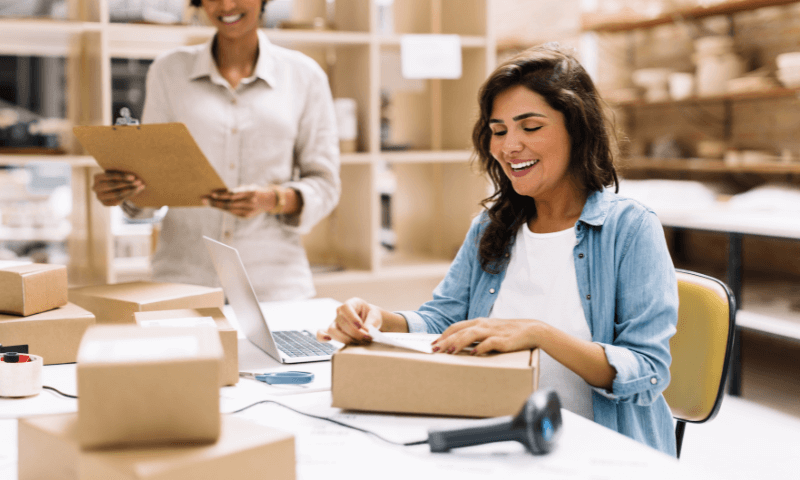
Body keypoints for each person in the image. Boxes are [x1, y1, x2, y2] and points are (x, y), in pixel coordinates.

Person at [318, 44, 678, 456]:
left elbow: (648, 372)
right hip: (499, 435)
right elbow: (444, 318)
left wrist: (538, 334)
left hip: (598, 448)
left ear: (577, 129)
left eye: (530, 126)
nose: (509, 146)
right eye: (499, 130)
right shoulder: (493, 227)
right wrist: (379, 319)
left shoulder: (630, 228)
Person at [91, 0, 340, 301]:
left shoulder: (305, 76)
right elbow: (151, 188)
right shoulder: (168, 71)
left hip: (274, 286)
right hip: (182, 282)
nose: (226, 5)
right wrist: (125, 190)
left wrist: (272, 199)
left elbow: (325, 185)